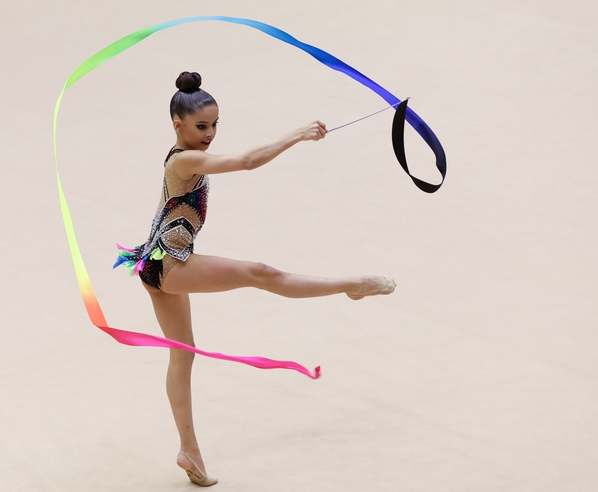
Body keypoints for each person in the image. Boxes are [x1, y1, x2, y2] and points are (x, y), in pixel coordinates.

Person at [115, 71, 395, 486]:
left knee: (182, 354)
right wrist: (296, 135)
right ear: (178, 125)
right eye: (201, 127)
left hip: (154, 265)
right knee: (262, 274)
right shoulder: (185, 159)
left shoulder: (184, 154)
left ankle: (189, 451)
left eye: (214, 125)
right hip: (169, 264)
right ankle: (349, 286)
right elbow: (246, 162)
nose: (209, 134)